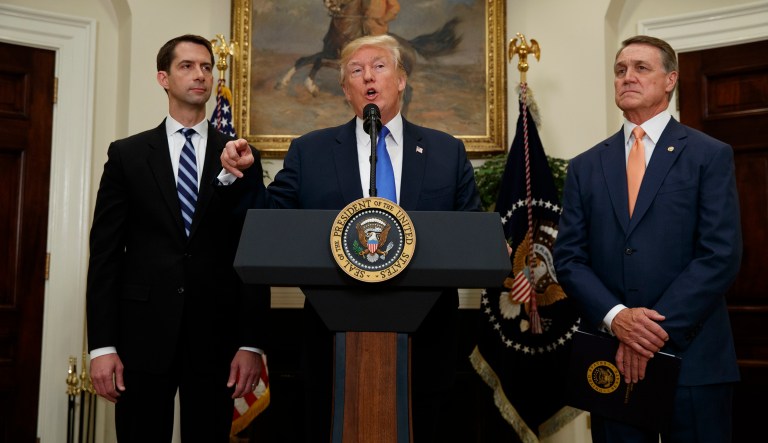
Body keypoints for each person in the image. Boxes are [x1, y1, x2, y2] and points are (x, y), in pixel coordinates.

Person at [220, 34, 481, 442]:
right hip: (333, 343)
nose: (368, 77)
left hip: (426, 343)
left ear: (401, 79)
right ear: (345, 90)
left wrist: (490, 246)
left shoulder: (446, 152)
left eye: (379, 66)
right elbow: (272, 223)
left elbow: (470, 229)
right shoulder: (311, 152)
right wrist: (248, 174)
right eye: (355, 72)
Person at [553, 35, 742, 442]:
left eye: (641, 68)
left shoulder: (709, 155)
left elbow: (720, 254)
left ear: (671, 79)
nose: (627, 77)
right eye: (620, 70)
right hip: (611, 357)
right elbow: (568, 258)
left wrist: (648, 333)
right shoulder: (586, 166)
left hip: (694, 359)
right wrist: (617, 318)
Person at [86, 34, 269, 442]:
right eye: (187, 66)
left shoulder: (240, 154)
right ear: (163, 78)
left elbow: (253, 254)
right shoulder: (127, 155)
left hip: (217, 339)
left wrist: (251, 343)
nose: (200, 75)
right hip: (141, 335)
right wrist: (102, 346)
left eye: (207, 67)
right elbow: (105, 256)